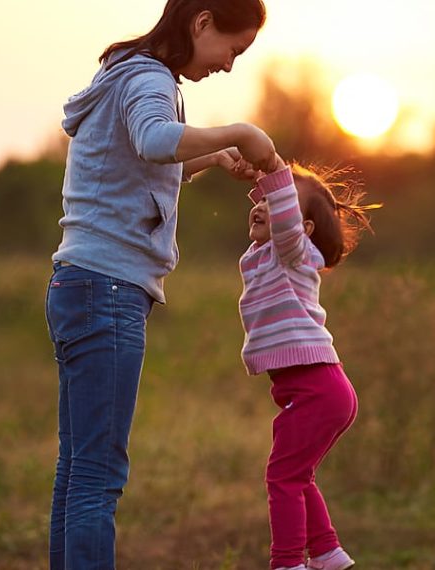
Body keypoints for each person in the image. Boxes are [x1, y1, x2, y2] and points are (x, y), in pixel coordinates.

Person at [44, 1, 276, 568]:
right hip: (110, 290)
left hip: (80, 282)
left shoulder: (126, 71)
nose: (229, 65)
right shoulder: (148, 78)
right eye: (233, 48)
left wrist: (214, 157)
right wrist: (243, 134)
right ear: (201, 23)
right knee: (98, 477)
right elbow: (151, 139)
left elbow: (134, 164)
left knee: (77, 471)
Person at [238, 158, 378, 570]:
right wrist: (261, 178)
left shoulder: (294, 252)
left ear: (303, 229)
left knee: (281, 477)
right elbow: (274, 205)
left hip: (319, 388)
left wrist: (273, 165)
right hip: (322, 389)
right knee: (298, 475)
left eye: (276, 203)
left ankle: (286, 563)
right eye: (261, 200)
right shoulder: (267, 254)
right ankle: (327, 553)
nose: (262, 206)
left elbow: (283, 219)